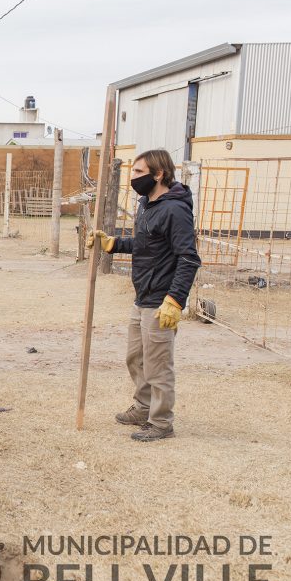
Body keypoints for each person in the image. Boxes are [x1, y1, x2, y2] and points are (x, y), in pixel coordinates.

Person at [86, 148, 201, 442]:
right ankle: (143, 407)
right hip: (142, 297)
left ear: (158, 174)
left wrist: (175, 300)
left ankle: (161, 422)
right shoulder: (147, 204)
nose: (133, 178)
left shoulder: (175, 209)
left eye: (138, 172)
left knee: (158, 365)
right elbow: (144, 244)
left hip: (161, 300)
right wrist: (113, 243)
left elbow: (189, 258)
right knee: (135, 358)